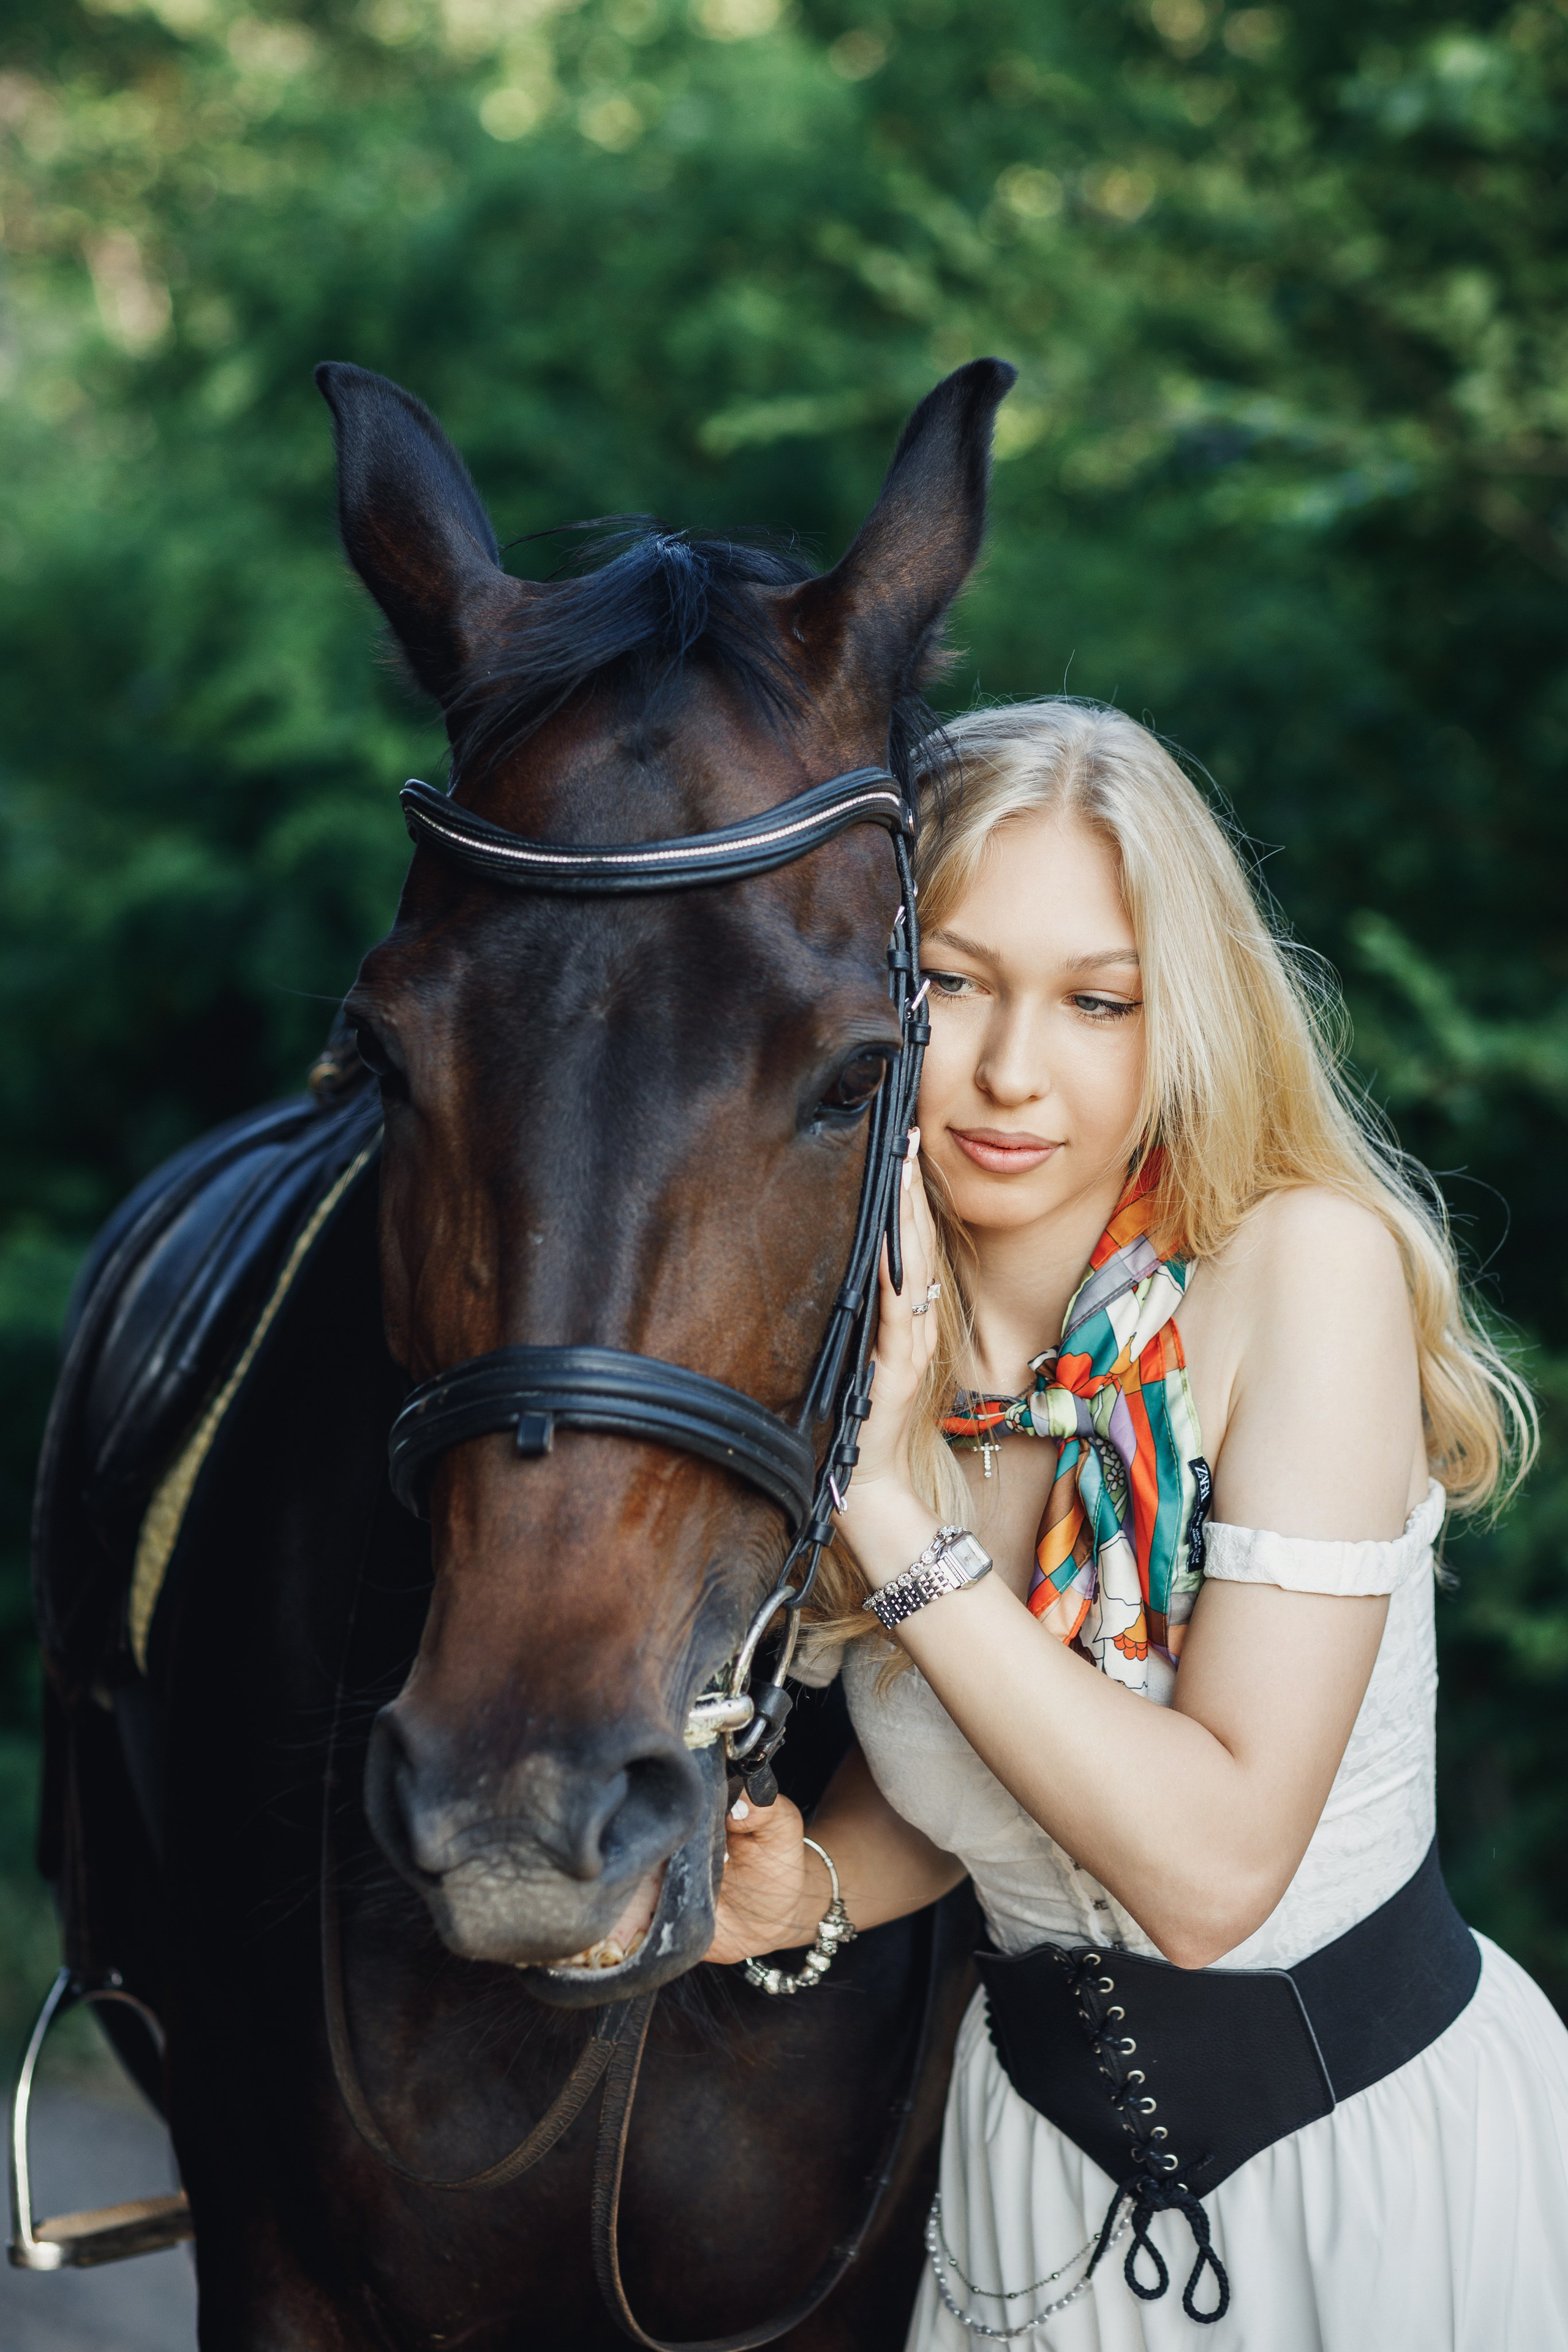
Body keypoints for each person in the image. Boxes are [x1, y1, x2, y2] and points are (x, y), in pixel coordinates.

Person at [706, 699, 1568, 2350]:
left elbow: (1208, 1871)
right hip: (1031, 2196)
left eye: (1099, 1002)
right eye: (952, 984)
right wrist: (798, 1889)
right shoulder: (882, 1325)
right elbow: (982, 1774)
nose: (1014, 1072)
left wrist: (881, 1504)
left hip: (1363, 2191)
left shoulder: (1298, 1274)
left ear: (1185, 1021)